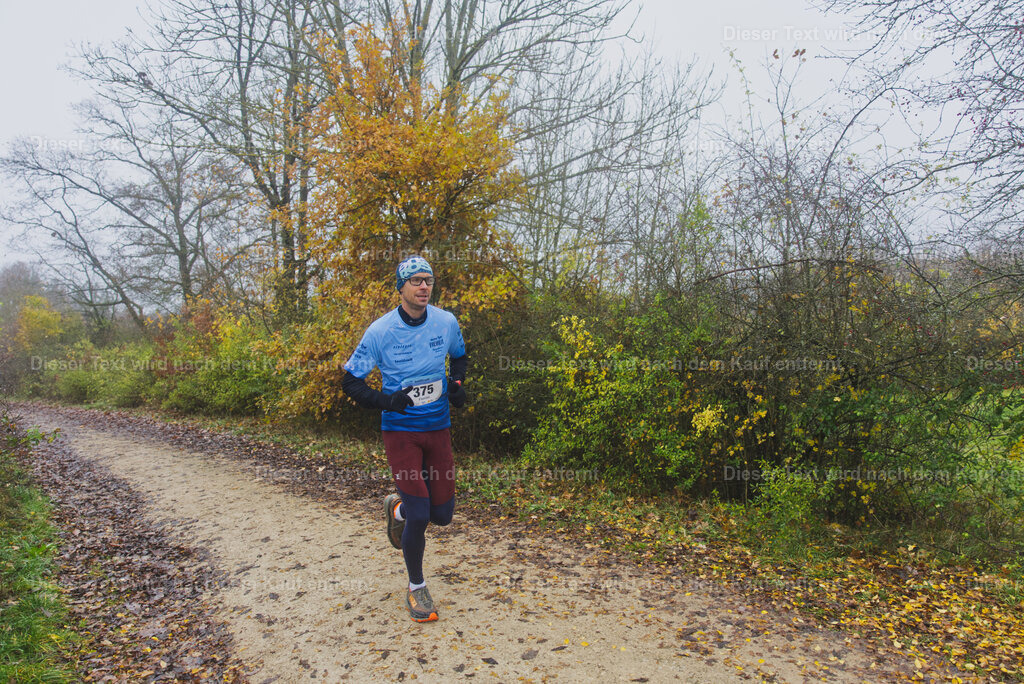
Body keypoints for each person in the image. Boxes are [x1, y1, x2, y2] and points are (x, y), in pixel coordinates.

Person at [341, 254, 467, 622]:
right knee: (420, 514)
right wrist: (385, 401)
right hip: (401, 434)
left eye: (428, 280)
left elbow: (459, 358)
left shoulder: (446, 322)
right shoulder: (380, 332)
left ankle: (397, 507)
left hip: (438, 428)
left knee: (442, 515)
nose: (424, 286)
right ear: (401, 288)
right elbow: (350, 381)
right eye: (416, 281)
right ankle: (417, 588)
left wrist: (457, 386)